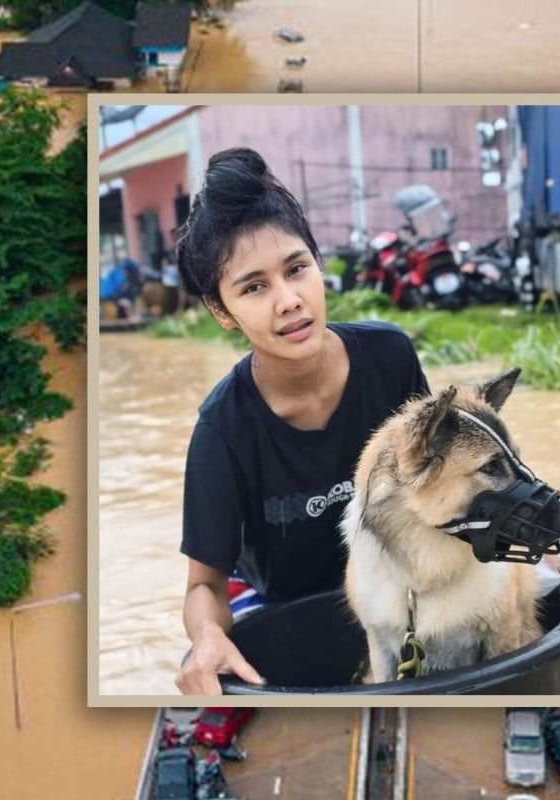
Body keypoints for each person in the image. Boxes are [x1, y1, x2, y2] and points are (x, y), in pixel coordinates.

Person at [172, 148, 431, 695]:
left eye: (296, 269)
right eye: (254, 287)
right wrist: (207, 636)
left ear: (318, 263)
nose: (289, 301)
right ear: (220, 311)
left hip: (395, 580)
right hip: (283, 603)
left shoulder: (389, 359)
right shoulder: (223, 430)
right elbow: (204, 586)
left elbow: (437, 482)